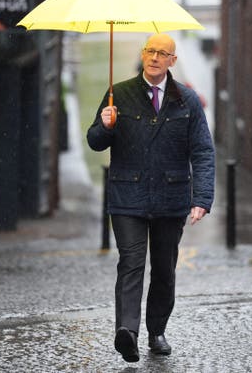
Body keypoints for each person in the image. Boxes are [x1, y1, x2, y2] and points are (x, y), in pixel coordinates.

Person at [87, 33, 215, 363]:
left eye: (162, 53)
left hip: (171, 198)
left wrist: (201, 197)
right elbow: (95, 141)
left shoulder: (186, 100)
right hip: (127, 193)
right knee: (131, 262)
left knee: (164, 269)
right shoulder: (120, 94)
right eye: (150, 51)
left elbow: (202, 151)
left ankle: (156, 330)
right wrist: (105, 125)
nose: (155, 57)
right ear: (143, 55)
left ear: (173, 60)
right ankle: (126, 332)